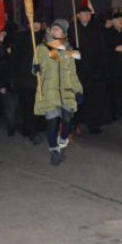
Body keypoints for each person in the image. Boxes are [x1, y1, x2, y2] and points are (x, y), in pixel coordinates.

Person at [32, 19, 83, 166]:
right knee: (52, 122)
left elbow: (72, 73)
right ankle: (53, 150)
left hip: (66, 90)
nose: (54, 31)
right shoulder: (42, 48)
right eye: (53, 29)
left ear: (64, 34)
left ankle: (62, 141)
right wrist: (35, 69)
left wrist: (78, 90)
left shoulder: (68, 51)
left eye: (58, 30)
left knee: (67, 120)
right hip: (49, 91)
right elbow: (34, 68)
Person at [71, 4, 112, 134]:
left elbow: (102, 48)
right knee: (78, 98)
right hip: (78, 70)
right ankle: (75, 122)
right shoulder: (72, 30)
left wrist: (103, 66)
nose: (86, 16)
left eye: (89, 14)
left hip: (94, 70)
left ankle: (93, 123)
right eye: (84, 14)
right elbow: (63, 48)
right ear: (78, 15)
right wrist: (73, 52)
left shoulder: (96, 29)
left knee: (94, 98)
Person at [5, 20, 44, 145]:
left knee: (39, 106)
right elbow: (13, 58)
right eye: (33, 22)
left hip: (42, 79)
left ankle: (33, 128)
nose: (36, 25)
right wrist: (12, 78)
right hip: (25, 79)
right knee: (28, 106)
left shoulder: (45, 37)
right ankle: (32, 131)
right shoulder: (21, 37)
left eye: (38, 22)